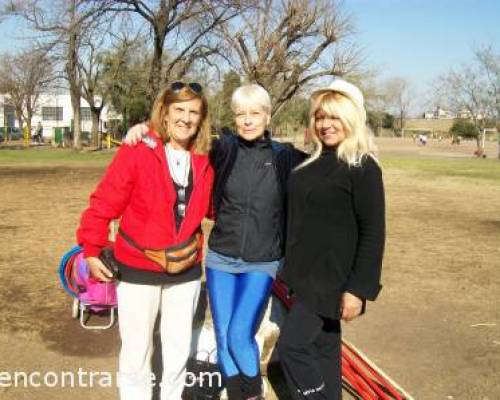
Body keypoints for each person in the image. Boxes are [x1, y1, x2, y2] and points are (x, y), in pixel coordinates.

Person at [124, 83, 305, 400]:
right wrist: (146, 128)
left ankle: (252, 394)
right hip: (221, 257)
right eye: (240, 114)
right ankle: (239, 395)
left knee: (239, 333)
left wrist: (357, 152)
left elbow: (325, 164)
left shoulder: (284, 156)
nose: (247, 121)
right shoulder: (224, 149)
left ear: (267, 114)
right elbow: (182, 129)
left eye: (254, 113)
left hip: (262, 261)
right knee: (222, 335)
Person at [76, 81, 214, 400]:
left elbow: (215, 207)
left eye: (194, 112)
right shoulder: (139, 149)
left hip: (186, 271)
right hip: (138, 269)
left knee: (178, 351)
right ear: (164, 114)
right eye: (179, 109)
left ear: (202, 118)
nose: (186, 118)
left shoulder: (207, 158)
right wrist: (92, 249)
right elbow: (105, 200)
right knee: (137, 352)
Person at [277, 79, 385, 400]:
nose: (325, 125)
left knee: (293, 347)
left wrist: (358, 290)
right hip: (303, 275)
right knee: (324, 350)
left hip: (331, 281)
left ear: (351, 119)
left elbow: (373, 233)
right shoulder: (308, 163)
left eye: (334, 117)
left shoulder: (363, 167)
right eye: (320, 117)